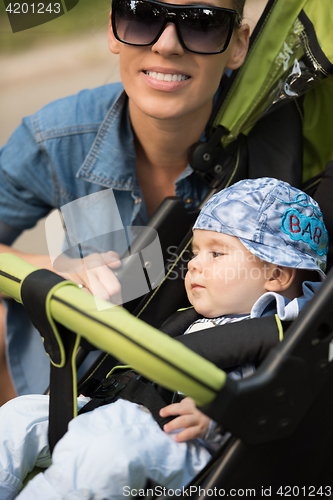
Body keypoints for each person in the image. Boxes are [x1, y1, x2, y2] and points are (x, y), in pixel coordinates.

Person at [0, 177, 327, 500]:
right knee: (18, 416)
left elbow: (283, 402)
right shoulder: (196, 316)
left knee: (102, 449)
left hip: (185, 445)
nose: (194, 265)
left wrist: (219, 416)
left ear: (275, 274)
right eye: (195, 252)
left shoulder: (290, 332)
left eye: (216, 254)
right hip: (124, 408)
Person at [0, 0, 251, 402]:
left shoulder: (279, 146)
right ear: (114, 27)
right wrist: (54, 271)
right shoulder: (57, 137)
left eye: (203, 23)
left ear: (238, 45)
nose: (167, 44)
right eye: (143, 15)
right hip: (76, 376)